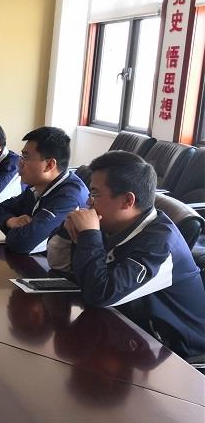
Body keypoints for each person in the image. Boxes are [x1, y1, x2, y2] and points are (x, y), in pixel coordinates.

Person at [47, 151, 205, 359]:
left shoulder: (160, 244)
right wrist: (68, 232)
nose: (88, 202)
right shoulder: (114, 224)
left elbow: (101, 294)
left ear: (127, 201)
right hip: (127, 329)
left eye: (95, 194)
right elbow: (60, 267)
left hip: (174, 353)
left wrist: (89, 235)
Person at [0, 126, 88, 253]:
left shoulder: (69, 198)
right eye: (21, 156)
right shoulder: (37, 186)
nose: (19, 163)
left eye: (25, 157)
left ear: (49, 165)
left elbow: (23, 243)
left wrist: (17, 230)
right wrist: (10, 221)